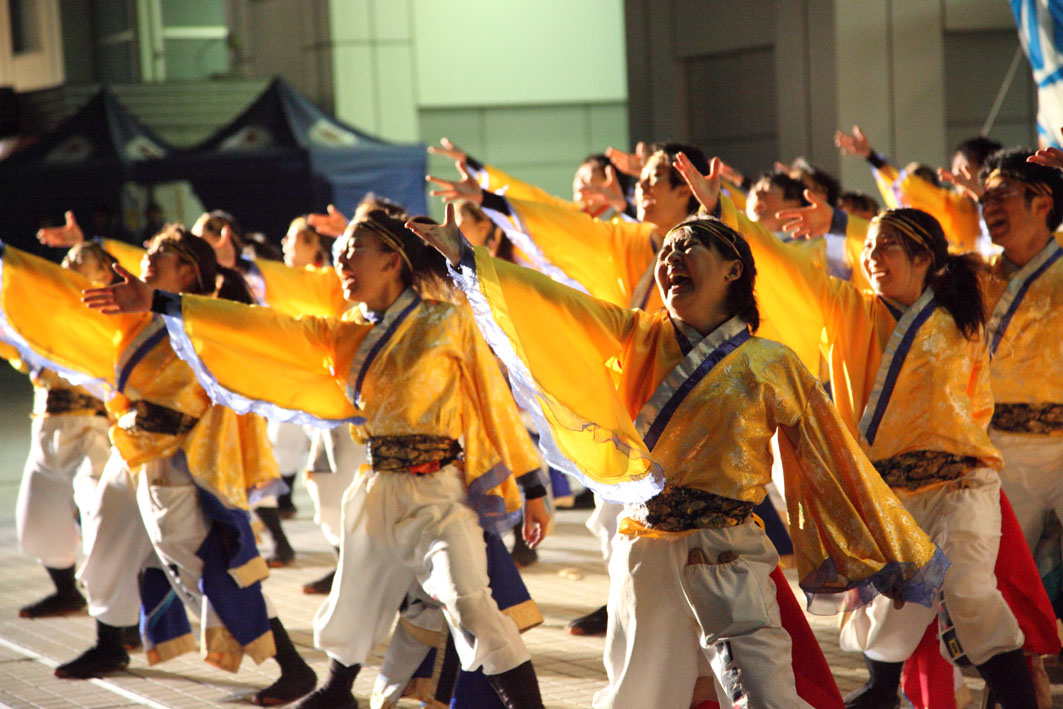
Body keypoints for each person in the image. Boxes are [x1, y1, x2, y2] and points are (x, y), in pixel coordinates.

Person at [408, 204, 947, 708]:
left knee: (766, 693)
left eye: (687, 246)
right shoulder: (635, 337)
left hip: (729, 549)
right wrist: (468, 259)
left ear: (734, 270)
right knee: (637, 696)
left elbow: (834, 460)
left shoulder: (772, 362)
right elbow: (557, 306)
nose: (670, 259)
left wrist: (884, 551)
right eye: (665, 251)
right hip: (645, 549)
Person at [82, 209, 552, 709]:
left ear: (393, 261)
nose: (340, 262)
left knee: (469, 602)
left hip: (439, 493)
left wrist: (535, 487)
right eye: (337, 255)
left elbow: (493, 403)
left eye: (352, 252)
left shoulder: (447, 321)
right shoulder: (344, 334)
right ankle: (335, 691)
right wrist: (161, 302)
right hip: (378, 490)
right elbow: (268, 327)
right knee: (353, 601)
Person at [676, 155, 1039, 708]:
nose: (872, 259)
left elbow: (1027, 258)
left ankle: (1019, 699)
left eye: (888, 247)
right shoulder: (850, 309)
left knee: (969, 590)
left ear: (924, 256)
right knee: (891, 612)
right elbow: (785, 271)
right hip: (889, 494)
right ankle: (881, 691)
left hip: (963, 486)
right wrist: (719, 208)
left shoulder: (970, 300)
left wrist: (847, 225)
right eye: (868, 249)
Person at [0, 228, 316, 705]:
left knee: (208, 569)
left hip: (178, 460)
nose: (145, 260)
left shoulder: (209, 315)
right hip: (132, 449)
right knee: (105, 545)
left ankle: (292, 667)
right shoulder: (138, 319)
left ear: (188, 269)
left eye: (157, 256)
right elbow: (67, 303)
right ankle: (110, 645)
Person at [6, 242, 116, 619]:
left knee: (100, 518)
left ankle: (120, 619)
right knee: (39, 517)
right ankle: (66, 592)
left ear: (104, 274)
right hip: (47, 425)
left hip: (91, 428)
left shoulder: (108, 313)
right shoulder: (50, 310)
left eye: (79, 259)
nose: (68, 263)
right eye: (67, 259)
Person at [835, 126, 1000, 253]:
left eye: (963, 169)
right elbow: (910, 190)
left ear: (986, 170)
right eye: (955, 169)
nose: (957, 178)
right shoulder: (954, 207)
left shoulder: (1011, 202)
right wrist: (872, 158)